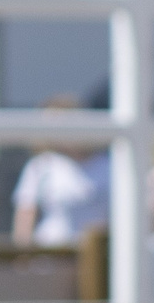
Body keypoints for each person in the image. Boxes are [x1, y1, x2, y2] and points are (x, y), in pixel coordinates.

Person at [10, 99, 111, 248]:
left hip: (98, 253)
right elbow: (26, 216)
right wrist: (22, 254)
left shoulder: (108, 165)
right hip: (51, 254)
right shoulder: (41, 166)